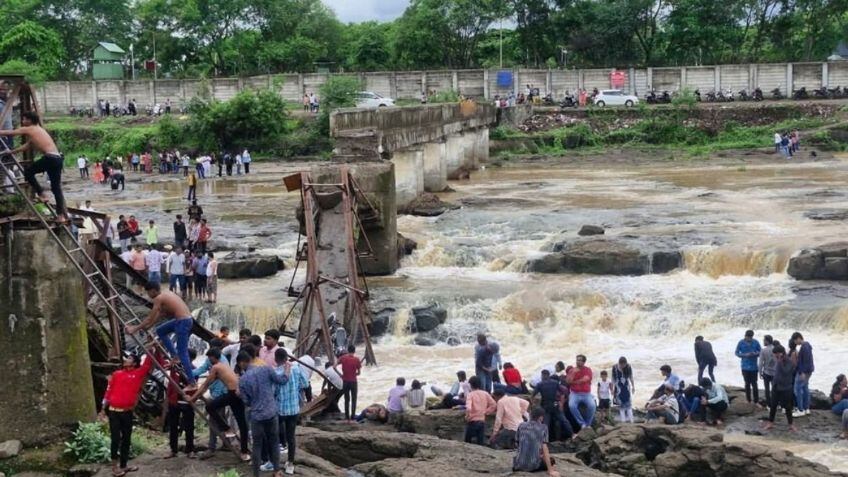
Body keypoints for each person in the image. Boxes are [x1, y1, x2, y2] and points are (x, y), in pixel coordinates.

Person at [1, 112, 69, 222]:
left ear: (29, 120)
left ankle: (42, 193)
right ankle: (60, 216)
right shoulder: (38, 130)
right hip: (57, 159)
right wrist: (12, 152)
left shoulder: (30, 129)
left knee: (28, 172)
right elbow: (26, 146)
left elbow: (11, 132)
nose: (22, 122)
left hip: (50, 158)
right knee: (56, 188)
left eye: (24, 119)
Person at [125, 283, 196, 385]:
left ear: (153, 290)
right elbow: (159, 314)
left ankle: (192, 382)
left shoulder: (159, 298)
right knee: (161, 331)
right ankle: (174, 356)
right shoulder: (166, 295)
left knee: (183, 353)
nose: (148, 295)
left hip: (182, 322)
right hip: (183, 320)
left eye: (148, 292)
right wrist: (149, 326)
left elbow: (150, 317)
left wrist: (134, 329)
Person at [99, 348, 153, 477]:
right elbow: (109, 390)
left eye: (129, 359)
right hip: (114, 412)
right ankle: (114, 467)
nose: (126, 360)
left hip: (127, 412)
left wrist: (152, 347)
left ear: (134, 363)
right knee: (116, 439)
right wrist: (102, 409)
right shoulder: (117, 374)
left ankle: (124, 465)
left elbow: (148, 363)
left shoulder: (138, 373)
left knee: (127, 439)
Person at [189, 348, 251, 461]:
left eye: (209, 358)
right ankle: (244, 452)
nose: (208, 360)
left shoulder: (216, 367)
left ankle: (226, 428)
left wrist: (192, 398)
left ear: (213, 357)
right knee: (242, 423)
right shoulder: (224, 365)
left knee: (210, 407)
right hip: (238, 393)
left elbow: (205, 385)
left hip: (232, 394)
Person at [238, 351, 287, 477]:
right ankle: (276, 471)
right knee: (274, 441)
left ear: (242, 363)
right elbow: (281, 381)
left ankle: (256, 474)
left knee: (257, 445)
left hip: (256, 416)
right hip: (271, 412)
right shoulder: (266, 369)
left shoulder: (242, 380)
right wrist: (287, 370)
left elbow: (246, 401)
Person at [270, 348, 308, 475]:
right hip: (294, 409)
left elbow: (273, 392)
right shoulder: (296, 369)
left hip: (280, 410)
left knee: (274, 436)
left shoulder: (276, 372)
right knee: (291, 437)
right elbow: (305, 384)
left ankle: (273, 463)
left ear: (276, 359)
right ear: (286, 358)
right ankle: (290, 464)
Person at [165, 353, 196, 459]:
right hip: (174, 401)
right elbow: (164, 365)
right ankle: (173, 450)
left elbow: (193, 385)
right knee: (173, 426)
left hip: (187, 401)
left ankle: (190, 449)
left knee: (189, 427)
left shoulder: (193, 370)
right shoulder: (175, 367)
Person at [512, 407, 561, 477]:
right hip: (533, 466)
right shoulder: (543, 428)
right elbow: (545, 449)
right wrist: (550, 470)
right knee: (552, 461)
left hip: (518, 465)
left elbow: (517, 443)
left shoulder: (521, 425)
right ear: (541, 417)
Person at [763, 344, 796, 431]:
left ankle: (790, 424)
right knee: (773, 405)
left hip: (786, 388)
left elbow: (786, 372)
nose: (774, 355)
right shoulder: (777, 360)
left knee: (787, 407)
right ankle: (770, 422)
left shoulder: (789, 361)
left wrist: (780, 362)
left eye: (775, 354)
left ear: (780, 353)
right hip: (776, 387)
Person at [531, 369, 573, 441]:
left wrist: (533, 404)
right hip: (555, 404)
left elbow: (533, 395)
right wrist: (562, 401)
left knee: (546, 423)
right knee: (563, 420)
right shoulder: (555, 382)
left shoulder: (540, 384)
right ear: (548, 375)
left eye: (542, 375)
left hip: (545, 406)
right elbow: (564, 391)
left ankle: (544, 440)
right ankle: (572, 434)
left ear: (543, 375)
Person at [566, 355, 595, 431]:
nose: (578, 361)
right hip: (575, 393)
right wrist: (573, 374)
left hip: (586, 394)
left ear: (584, 362)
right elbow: (568, 382)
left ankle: (588, 424)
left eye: (580, 360)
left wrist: (574, 382)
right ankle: (582, 424)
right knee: (571, 405)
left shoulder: (588, 370)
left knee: (592, 406)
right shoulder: (572, 370)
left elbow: (585, 379)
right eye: (577, 360)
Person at [465, 376, 496, 445]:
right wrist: (486, 412)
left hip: (472, 421)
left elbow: (469, 408)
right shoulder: (485, 393)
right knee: (480, 441)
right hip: (482, 420)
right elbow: (493, 404)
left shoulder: (470, 395)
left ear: (470, 385)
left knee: (467, 441)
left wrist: (467, 416)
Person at [735, 330, 762, 405]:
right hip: (745, 366)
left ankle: (756, 401)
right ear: (745, 336)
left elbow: (761, 352)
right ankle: (748, 399)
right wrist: (745, 355)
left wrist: (755, 353)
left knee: (754, 384)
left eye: (750, 337)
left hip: (754, 367)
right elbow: (736, 353)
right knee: (747, 383)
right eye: (748, 337)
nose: (749, 339)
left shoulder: (756, 342)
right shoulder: (741, 342)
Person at [792, 331, 814, 417]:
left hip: (803, 372)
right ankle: (806, 408)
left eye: (795, 340)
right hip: (808, 371)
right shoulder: (807, 345)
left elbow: (805, 361)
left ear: (798, 338)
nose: (795, 343)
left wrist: (802, 372)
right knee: (805, 388)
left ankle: (800, 409)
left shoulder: (804, 347)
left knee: (797, 389)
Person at [338, 345, 362, 420]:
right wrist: (355, 374)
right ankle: (353, 416)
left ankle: (346, 416)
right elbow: (359, 373)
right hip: (353, 381)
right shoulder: (357, 359)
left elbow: (334, 366)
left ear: (348, 350)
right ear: (354, 351)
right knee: (354, 399)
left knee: (346, 399)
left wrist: (341, 375)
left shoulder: (343, 358)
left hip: (345, 381)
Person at [612, 357, 635, 423]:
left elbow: (631, 377)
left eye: (624, 365)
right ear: (619, 363)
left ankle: (631, 421)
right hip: (618, 388)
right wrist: (612, 389)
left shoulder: (628, 366)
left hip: (626, 387)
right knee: (621, 405)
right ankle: (623, 421)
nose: (622, 366)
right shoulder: (614, 367)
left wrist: (633, 386)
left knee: (628, 404)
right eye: (621, 365)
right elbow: (613, 379)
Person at [760, 335, 777, 408]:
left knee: (767, 389)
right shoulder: (776, 349)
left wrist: (760, 372)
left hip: (766, 372)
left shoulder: (764, 350)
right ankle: (775, 404)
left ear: (767, 341)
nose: (763, 341)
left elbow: (760, 363)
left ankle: (769, 405)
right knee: (775, 389)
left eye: (764, 340)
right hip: (775, 373)